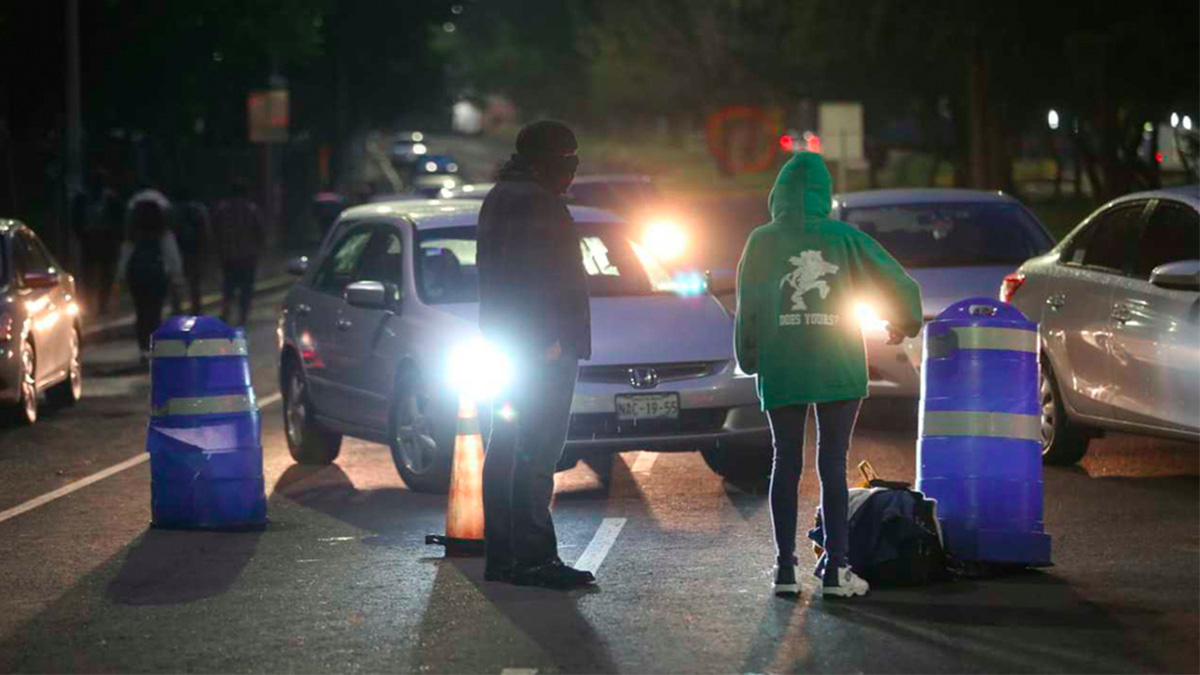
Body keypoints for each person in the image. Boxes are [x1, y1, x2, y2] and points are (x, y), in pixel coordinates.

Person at [734, 151, 922, 598]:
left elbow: (749, 307)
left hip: (782, 364)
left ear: (777, 193)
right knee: (833, 463)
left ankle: (784, 569)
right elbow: (897, 282)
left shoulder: (760, 241)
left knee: (785, 461)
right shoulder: (844, 237)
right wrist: (903, 320)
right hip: (836, 362)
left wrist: (750, 357)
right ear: (824, 194)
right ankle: (837, 569)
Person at [476, 120, 593, 590]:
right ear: (551, 161)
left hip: (506, 342)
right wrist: (550, 339)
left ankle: (504, 558)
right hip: (540, 348)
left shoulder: (499, 197)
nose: (574, 171)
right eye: (571, 160)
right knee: (537, 452)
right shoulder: (538, 203)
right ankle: (535, 558)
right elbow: (539, 279)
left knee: (505, 447)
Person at [117, 199, 185, 365]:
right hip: (157, 276)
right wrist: (177, 276)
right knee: (155, 312)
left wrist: (120, 278)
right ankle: (155, 346)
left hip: (137, 277)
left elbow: (125, 257)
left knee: (141, 312)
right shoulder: (163, 233)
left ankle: (143, 350)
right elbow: (172, 256)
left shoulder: (133, 235)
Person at [70, 167, 124, 315]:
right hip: (92, 240)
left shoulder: (108, 199)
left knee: (101, 276)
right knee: (94, 276)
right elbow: (75, 220)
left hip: (102, 240)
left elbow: (119, 221)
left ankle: (99, 305)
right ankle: (94, 304)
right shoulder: (83, 199)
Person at [211, 182, 265, 327]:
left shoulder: (222, 209)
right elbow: (260, 231)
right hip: (248, 255)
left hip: (228, 255)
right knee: (246, 287)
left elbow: (215, 230)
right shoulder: (252, 209)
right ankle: (243, 315)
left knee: (229, 286)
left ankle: (226, 312)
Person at [174, 186, 210, 315]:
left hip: (178, 249)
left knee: (177, 282)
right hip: (195, 250)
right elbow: (205, 231)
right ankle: (196, 309)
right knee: (195, 283)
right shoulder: (199, 209)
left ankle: (177, 309)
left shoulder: (174, 210)